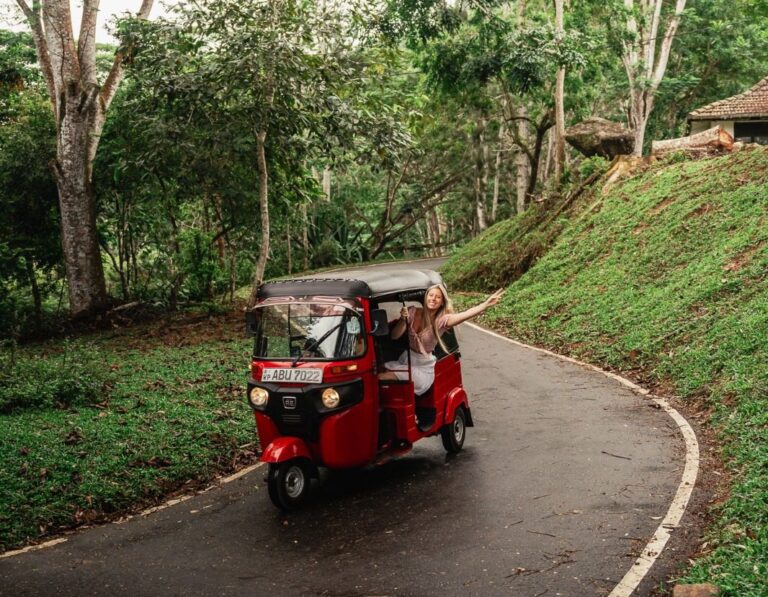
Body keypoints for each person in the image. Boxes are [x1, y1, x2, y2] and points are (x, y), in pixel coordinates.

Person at [378, 284, 505, 395]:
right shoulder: (412, 311)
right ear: (426, 297)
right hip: (406, 360)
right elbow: (394, 336)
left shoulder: (442, 320)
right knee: (377, 372)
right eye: (431, 295)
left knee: (382, 377)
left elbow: (464, 315)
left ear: (442, 302)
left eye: (438, 297)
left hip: (423, 368)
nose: (433, 299)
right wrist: (402, 319)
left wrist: (485, 304)